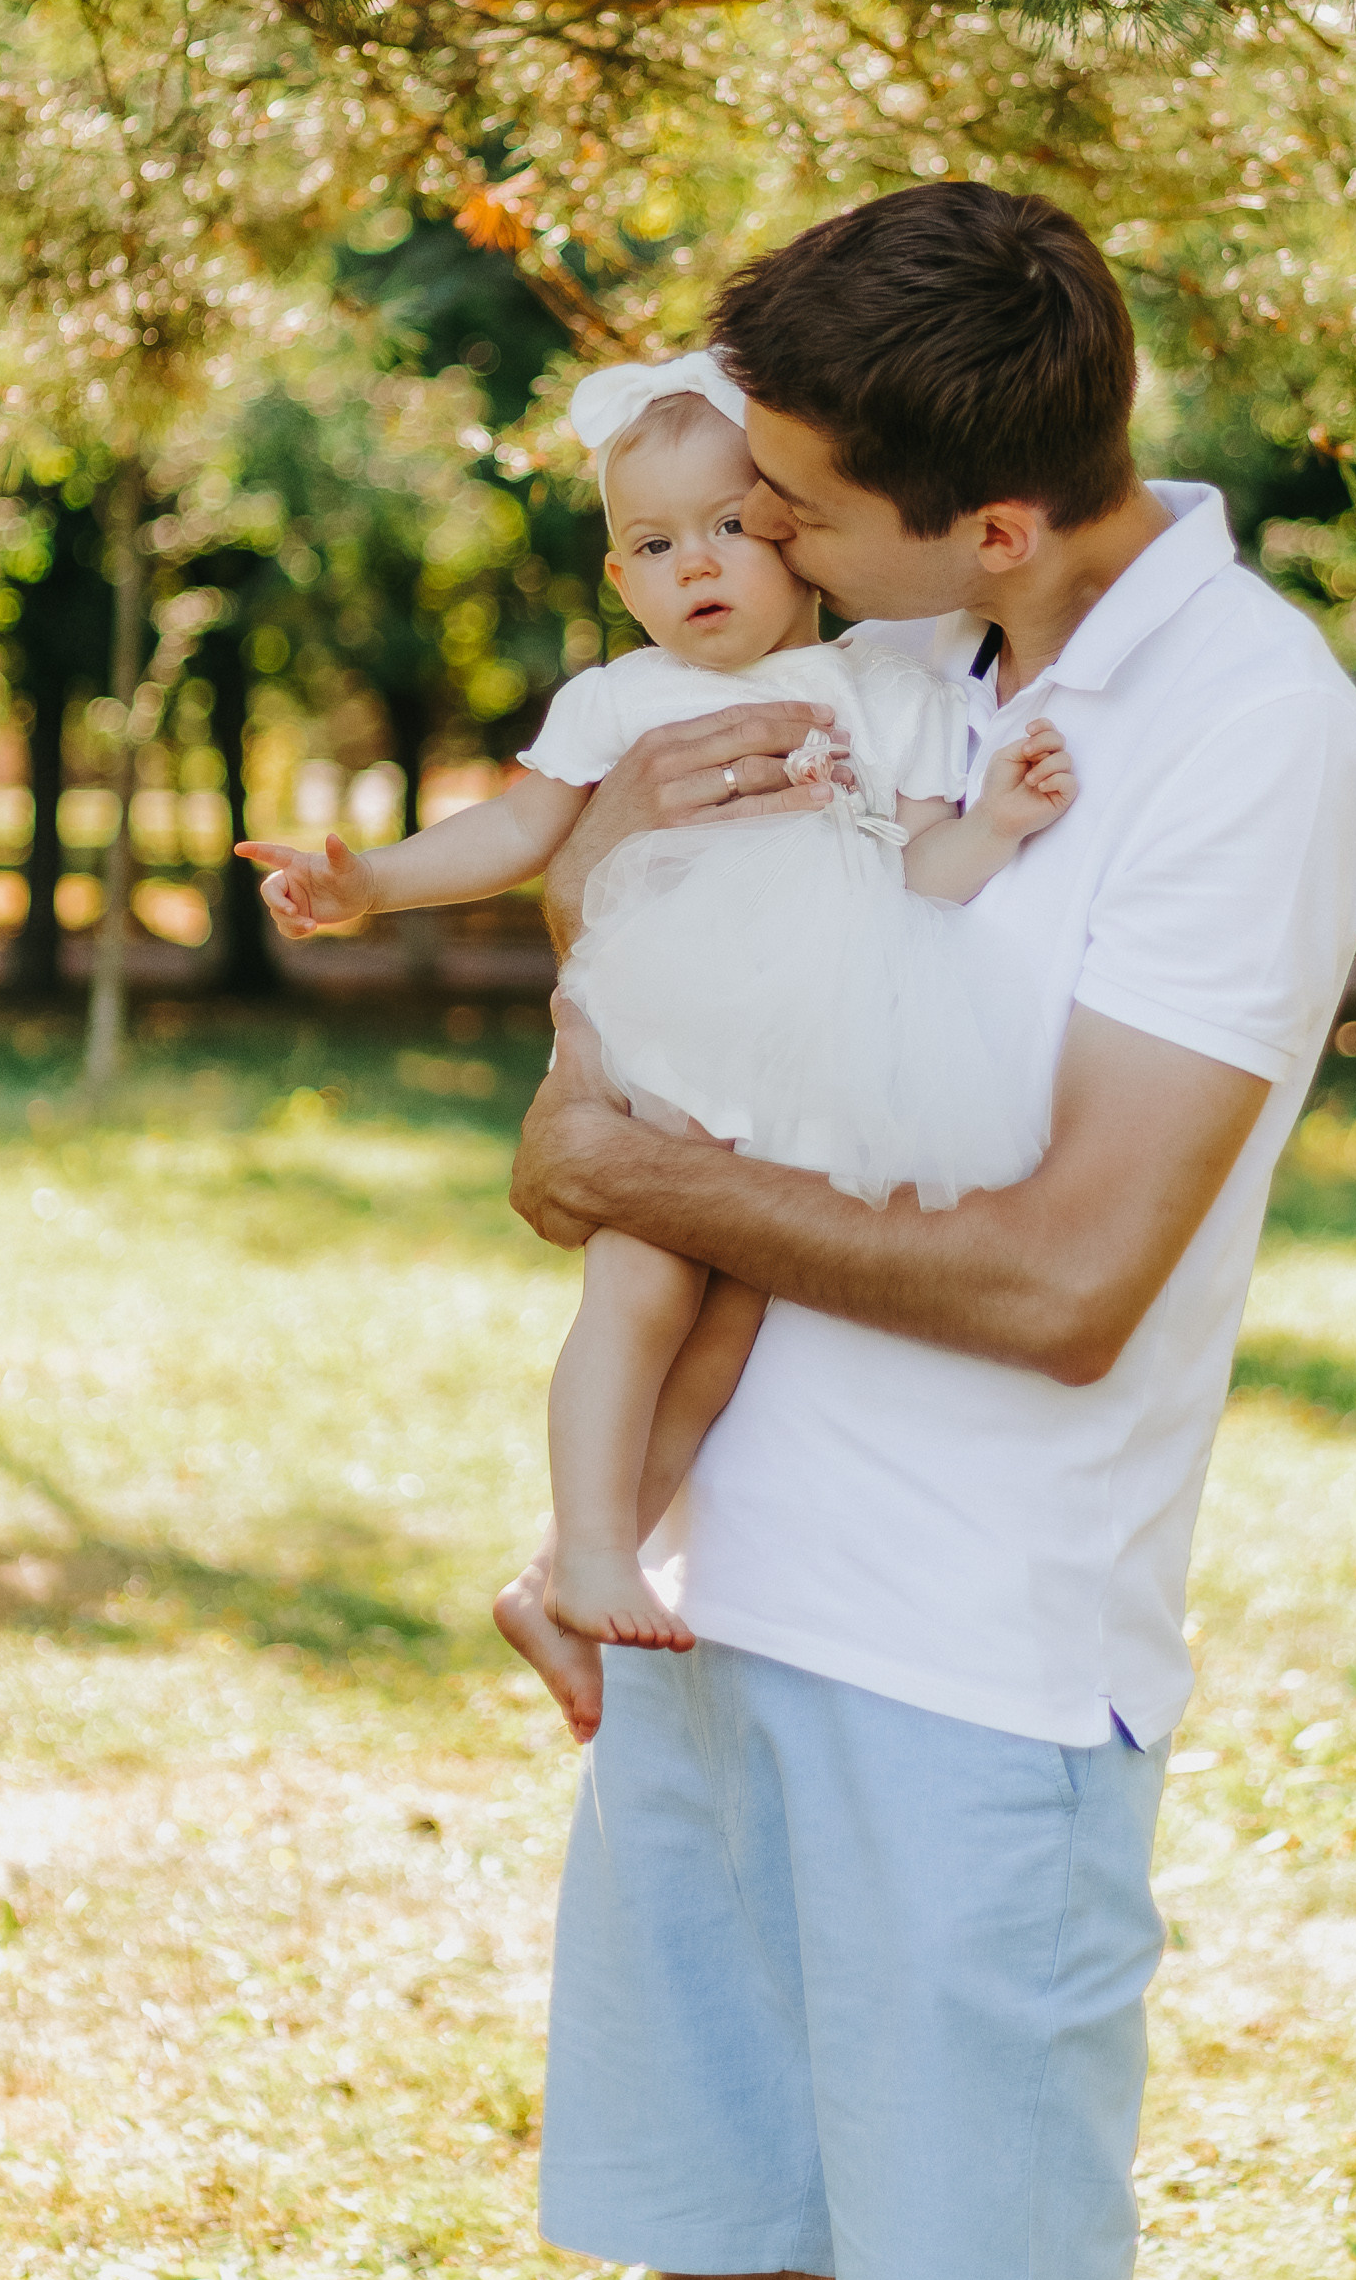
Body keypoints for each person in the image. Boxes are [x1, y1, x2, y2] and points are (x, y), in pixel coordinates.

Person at [500, 182, 1356, 2280]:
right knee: (715, 2260)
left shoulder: (1247, 739)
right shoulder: (892, 650)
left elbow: (1062, 1281)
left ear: (994, 519)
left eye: (801, 503)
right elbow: (637, 964)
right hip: (704, 1607)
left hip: (966, 1667)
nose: (762, 538)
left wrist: (623, 1174)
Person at [236, 352, 1076, 1742]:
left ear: (795, 537)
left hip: (812, 1069)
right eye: (654, 542)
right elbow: (518, 833)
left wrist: (992, 827)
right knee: (638, 1287)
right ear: (618, 582)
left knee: (733, 1321)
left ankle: (573, 1569)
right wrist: (371, 884)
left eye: (730, 527)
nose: (697, 563)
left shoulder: (883, 690)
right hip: (674, 1045)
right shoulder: (617, 700)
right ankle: (593, 1548)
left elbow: (916, 870)